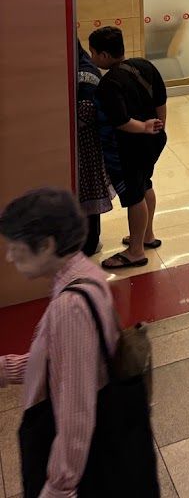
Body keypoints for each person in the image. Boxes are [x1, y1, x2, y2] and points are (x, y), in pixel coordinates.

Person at [0, 188, 157, 496]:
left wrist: (58, 489)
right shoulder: (87, 274)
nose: (8, 256)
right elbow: (69, 360)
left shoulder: (69, 308)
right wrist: (7, 369)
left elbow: (75, 413)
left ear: (46, 245)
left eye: (15, 247)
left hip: (76, 466)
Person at [87, 26, 167, 271]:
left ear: (103, 55)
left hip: (130, 146)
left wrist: (143, 128)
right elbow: (161, 98)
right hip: (153, 141)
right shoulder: (143, 65)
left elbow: (121, 121)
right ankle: (146, 236)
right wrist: (158, 129)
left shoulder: (109, 83)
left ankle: (135, 252)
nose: (92, 58)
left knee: (134, 195)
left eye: (93, 53)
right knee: (145, 184)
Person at [76, 41, 113, 256]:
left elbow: (87, 111)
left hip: (87, 145)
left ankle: (89, 243)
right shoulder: (85, 66)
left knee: (88, 191)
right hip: (88, 144)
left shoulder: (84, 74)